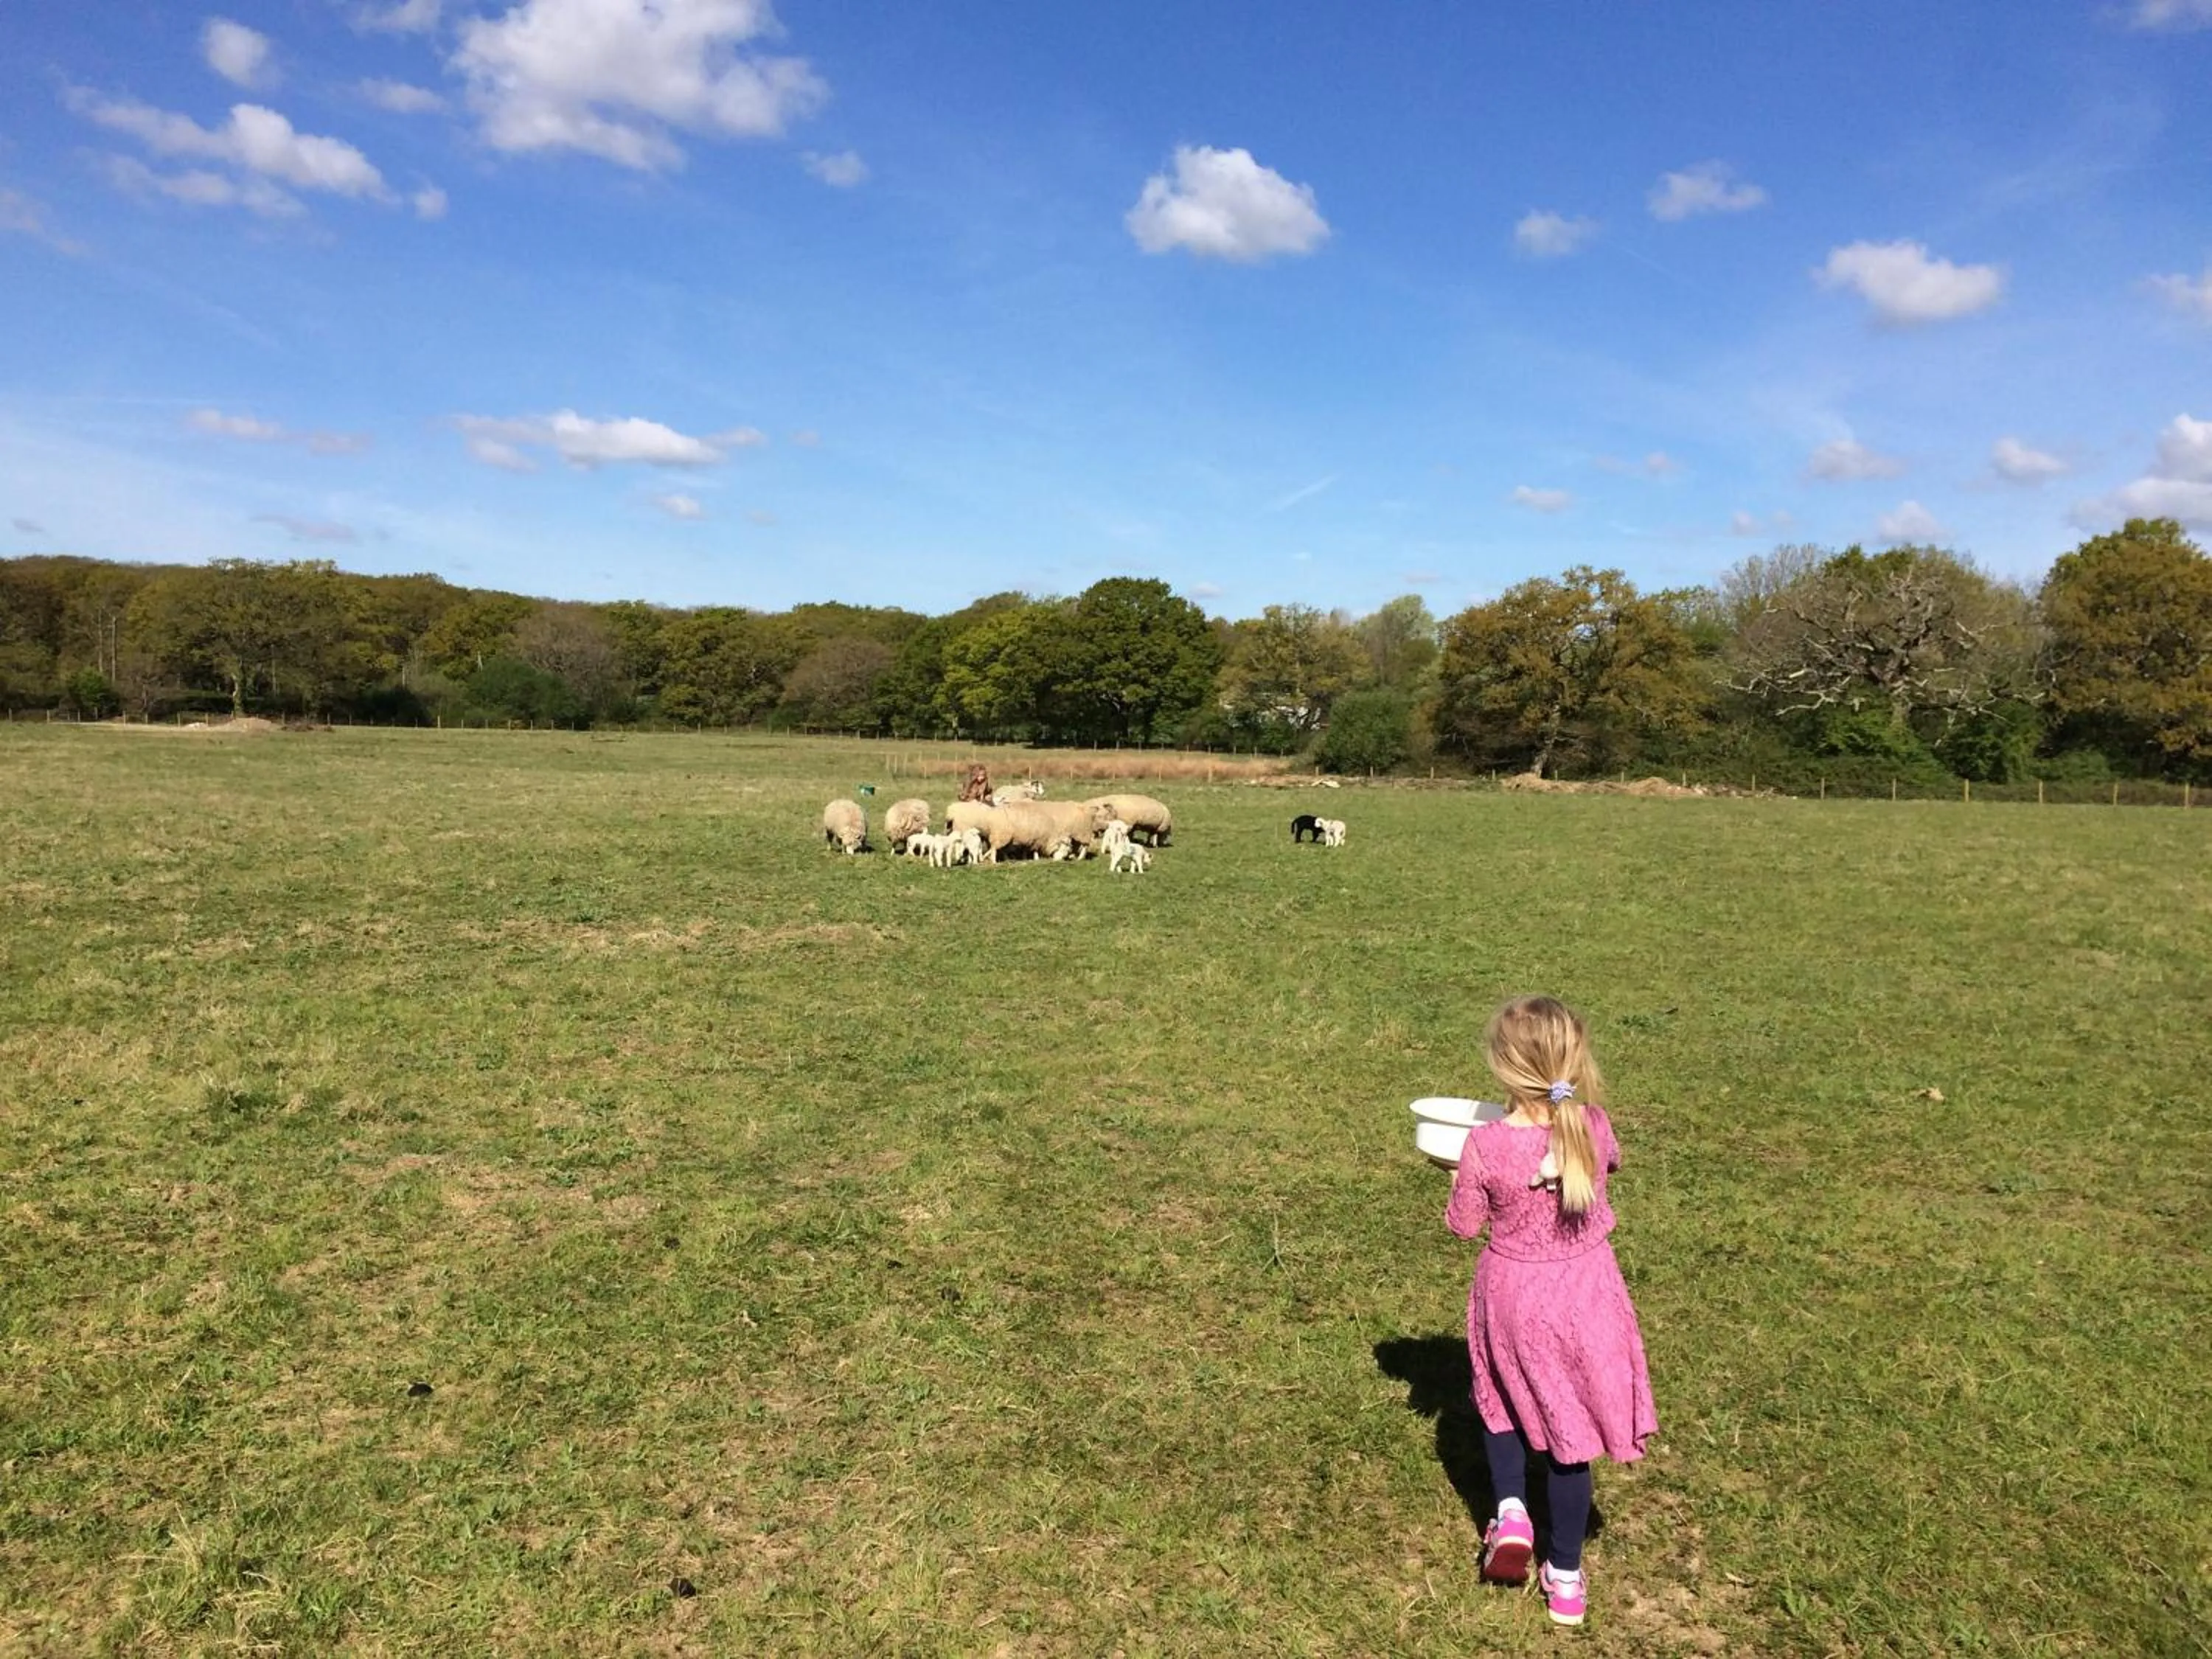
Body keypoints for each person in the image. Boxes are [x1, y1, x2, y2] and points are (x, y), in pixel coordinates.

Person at [1444, 995, 1657, 1628]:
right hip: (1585, 1295)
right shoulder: (1591, 1123)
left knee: (1502, 1399)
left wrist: (1457, 1176)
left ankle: (1511, 1510)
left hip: (1511, 1292)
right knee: (1570, 1437)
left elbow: (1464, 1226)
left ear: (1503, 1069)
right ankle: (1565, 1577)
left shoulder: (1485, 1143)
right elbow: (1607, 1163)